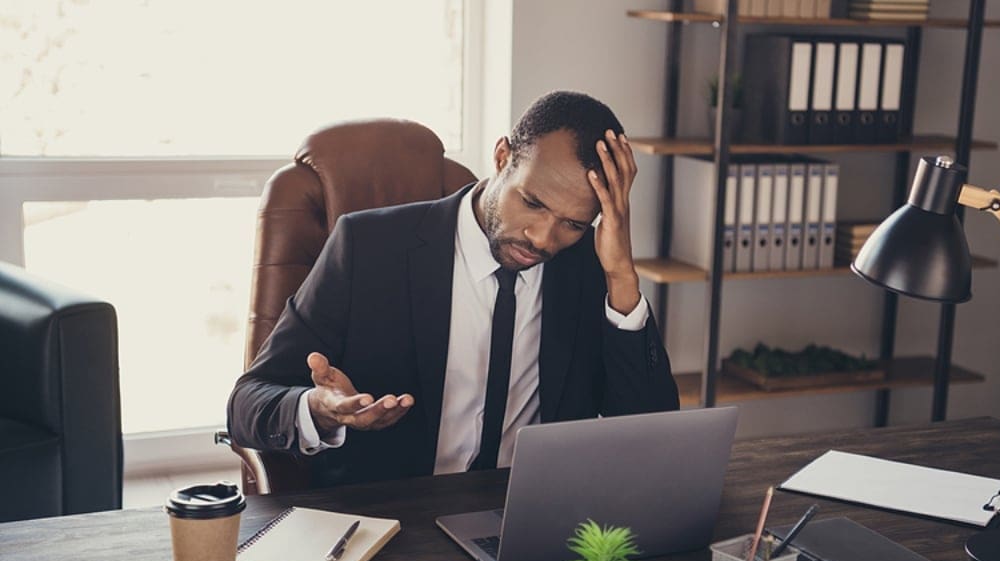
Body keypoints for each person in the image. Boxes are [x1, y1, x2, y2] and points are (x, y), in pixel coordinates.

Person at [227, 91, 679, 487]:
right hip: (396, 523)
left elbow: (652, 435)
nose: (543, 238)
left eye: (573, 223)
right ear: (502, 157)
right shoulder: (367, 248)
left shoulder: (586, 266)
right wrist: (320, 409)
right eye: (533, 202)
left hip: (531, 520)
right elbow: (247, 404)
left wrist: (622, 277)